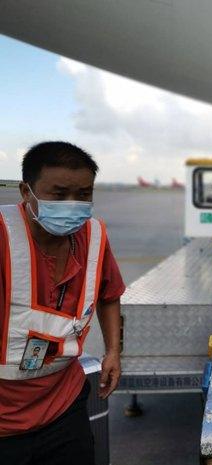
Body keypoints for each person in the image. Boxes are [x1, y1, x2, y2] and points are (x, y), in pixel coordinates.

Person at [0, 142, 125, 465]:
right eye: (58, 195)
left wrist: (113, 351)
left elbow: (109, 294)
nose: (72, 205)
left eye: (83, 195)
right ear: (26, 192)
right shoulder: (4, 237)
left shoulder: (92, 236)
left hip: (63, 408)